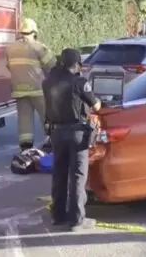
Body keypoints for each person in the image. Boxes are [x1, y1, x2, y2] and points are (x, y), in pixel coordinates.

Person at [43, 48, 101, 232]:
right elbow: (96, 105)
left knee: (59, 174)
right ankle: (77, 220)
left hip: (56, 133)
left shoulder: (48, 82)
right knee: (77, 176)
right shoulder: (79, 82)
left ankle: (58, 216)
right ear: (76, 64)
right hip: (76, 134)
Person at [6, 18, 57, 150]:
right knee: (47, 115)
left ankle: (26, 146)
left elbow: (8, 66)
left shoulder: (10, 48)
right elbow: (52, 65)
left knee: (24, 118)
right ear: (34, 32)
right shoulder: (38, 47)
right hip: (37, 89)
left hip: (19, 89)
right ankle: (51, 140)